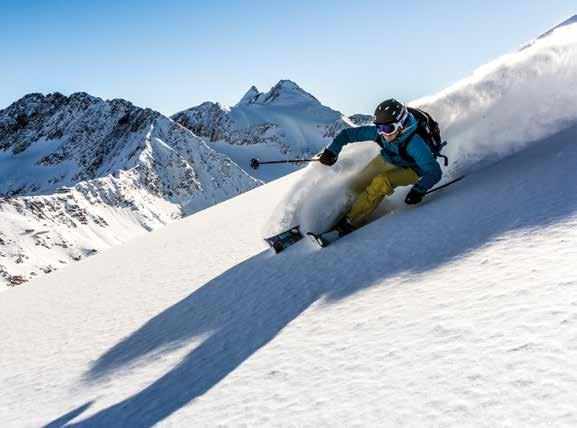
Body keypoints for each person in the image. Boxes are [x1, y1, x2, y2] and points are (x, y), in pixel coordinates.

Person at [318, 98, 442, 236]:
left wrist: (419, 190)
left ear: (401, 126)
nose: (382, 132)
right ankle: (342, 209)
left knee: (381, 182)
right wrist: (332, 151)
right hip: (388, 158)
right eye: (378, 127)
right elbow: (347, 134)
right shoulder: (381, 133)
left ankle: (351, 221)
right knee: (356, 183)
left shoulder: (415, 144)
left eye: (387, 128)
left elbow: (434, 172)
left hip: (412, 168)